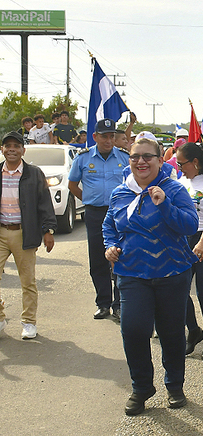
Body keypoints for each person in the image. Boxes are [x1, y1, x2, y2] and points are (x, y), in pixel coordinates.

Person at [103, 137, 198, 415]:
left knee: (170, 333)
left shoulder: (174, 189)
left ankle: (174, 385)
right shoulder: (120, 193)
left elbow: (190, 225)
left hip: (172, 272)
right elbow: (110, 224)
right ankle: (141, 387)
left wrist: (165, 204)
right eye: (135, 157)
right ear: (129, 160)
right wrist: (110, 245)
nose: (141, 161)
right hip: (132, 273)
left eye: (147, 156)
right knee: (133, 330)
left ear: (160, 160)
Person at [68, 118, 131, 321]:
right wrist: (88, 200)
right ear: (95, 137)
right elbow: (72, 185)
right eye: (104, 136)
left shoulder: (123, 157)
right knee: (98, 259)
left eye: (112, 136)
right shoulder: (83, 158)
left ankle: (119, 304)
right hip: (94, 213)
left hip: (118, 213)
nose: (108, 140)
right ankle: (103, 303)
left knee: (120, 256)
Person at [0, 131, 56, 340]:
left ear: (23, 150)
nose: (12, 149)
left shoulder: (34, 173)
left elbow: (44, 204)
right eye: (8, 146)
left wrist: (48, 231)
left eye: (16, 146)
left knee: (27, 281)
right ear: (2, 149)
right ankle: (0, 318)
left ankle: (29, 322)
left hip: (24, 233)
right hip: (1, 232)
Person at [176, 142, 203, 360]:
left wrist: (202, 242)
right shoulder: (181, 181)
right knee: (180, 291)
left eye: (181, 163)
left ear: (195, 162)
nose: (179, 167)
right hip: (184, 239)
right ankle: (194, 331)